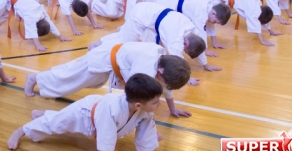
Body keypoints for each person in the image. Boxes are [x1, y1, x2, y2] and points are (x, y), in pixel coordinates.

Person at [8, 73, 162, 151]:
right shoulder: (112, 110)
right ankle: (21, 131)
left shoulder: (145, 113)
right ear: (138, 105)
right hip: (85, 112)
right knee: (56, 124)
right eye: (155, 102)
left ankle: (42, 114)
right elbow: (107, 145)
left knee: (59, 119)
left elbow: (145, 134)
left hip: (97, 111)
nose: (159, 104)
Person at [24, 42, 191, 117]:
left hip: (111, 61)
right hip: (103, 60)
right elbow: (136, 93)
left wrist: (172, 109)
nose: (163, 84)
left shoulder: (163, 60)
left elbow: (165, 88)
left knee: (71, 73)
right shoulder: (146, 67)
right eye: (164, 80)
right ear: (160, 72)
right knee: (70, 79)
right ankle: (34, 78)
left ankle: (41, 77)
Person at [92, 2, 218, 85]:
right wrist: (187, 77)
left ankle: (123, 30)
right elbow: (177, 60)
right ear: (186, 43)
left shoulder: (192, 30)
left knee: (137, 42)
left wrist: (205, 64)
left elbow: (199, 46)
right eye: (186, 50)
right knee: (126, 44)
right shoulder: (175, 39)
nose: (184, 52)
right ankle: (99, 43)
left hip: (152, 17)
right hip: (140, 16)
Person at [0, 0, 72, 52]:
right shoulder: (32, 17)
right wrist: (38, 45)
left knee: (1, 20)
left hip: (15, 2)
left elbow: (50, 23)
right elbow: (32, 30)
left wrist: (60, 36)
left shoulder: (41, 11)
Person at [201, 0, 276, 46]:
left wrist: (270, 31)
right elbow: (255, 23)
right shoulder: (254, 9)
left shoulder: (258, 4)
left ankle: (210, 41)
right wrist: (262, 41)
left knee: (208, 17)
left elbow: (261, 18)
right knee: (201, 10)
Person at [156, 0, 232, 52]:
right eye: (215, 21)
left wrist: (215, 43)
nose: (213, 23)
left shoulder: (210, 9)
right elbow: (201, 32)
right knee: (161, 26)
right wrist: (205, 50)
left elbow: (210, 26)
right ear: (213, 13)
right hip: (166, 2)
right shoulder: (201, 14)